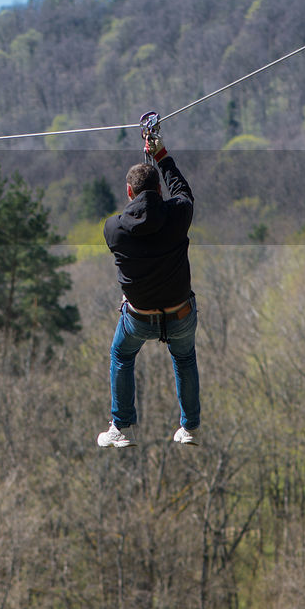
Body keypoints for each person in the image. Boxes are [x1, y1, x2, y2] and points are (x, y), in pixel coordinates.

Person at [97, 127, 200, 448]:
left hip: (138, 318)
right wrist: (162, 156)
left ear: (129, 192)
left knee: (121, 355)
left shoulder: (114, 228)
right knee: (184, 359)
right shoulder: (178, 214)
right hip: (180, 312)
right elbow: (182, 191)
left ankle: (120, 426)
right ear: (159, 189)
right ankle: (190, 428)